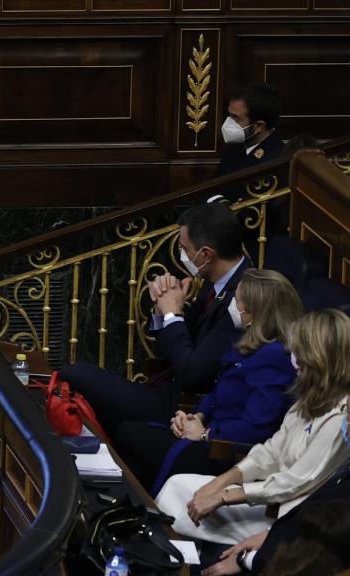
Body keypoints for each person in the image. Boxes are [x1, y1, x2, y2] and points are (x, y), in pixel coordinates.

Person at [154, 309, 350, 546]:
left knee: (178, 502)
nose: (294, 359)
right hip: (267, 495)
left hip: (290, 516)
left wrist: (225, 497)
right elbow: (270, 451)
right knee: (177, 485)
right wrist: (220, 483)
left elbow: (295, 482)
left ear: (319, 356)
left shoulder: (341, 416)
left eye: (300, 351)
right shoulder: (308, 399)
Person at [60, 202, 248, 435]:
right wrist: (163, 311)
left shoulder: (242, 301)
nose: (183, 256)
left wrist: (173, 314)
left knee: (75, 375)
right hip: (165, 387)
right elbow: (176, 349)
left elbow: (193, 376)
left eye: (185, 249)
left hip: (185, 408)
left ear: (207, 254)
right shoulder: (214, 280)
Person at [114, 269, 302, 494]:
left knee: (128, 434)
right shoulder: (248, 344)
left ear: (253, 313)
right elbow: (217, 391)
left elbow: (256, 427)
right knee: (132, 447)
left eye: (237, 300)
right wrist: (197, 417)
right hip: (207, 434)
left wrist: (205, 434)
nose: (231, 303)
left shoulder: (276, 357)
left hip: (224, 454)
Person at [200, 407, 350, 575]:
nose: (346, 422)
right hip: (277, 539)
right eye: (347, 413)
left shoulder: (334, 421)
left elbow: (324, 543)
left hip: (286, 558)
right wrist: (268, 535)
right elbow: (272, 451)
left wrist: (247, 560)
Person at [215, 83, 284, 181]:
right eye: (229, 115)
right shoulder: (235, 146)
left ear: (259, 126)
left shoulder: (276, 161)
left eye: (235, 118)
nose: (228, 123)